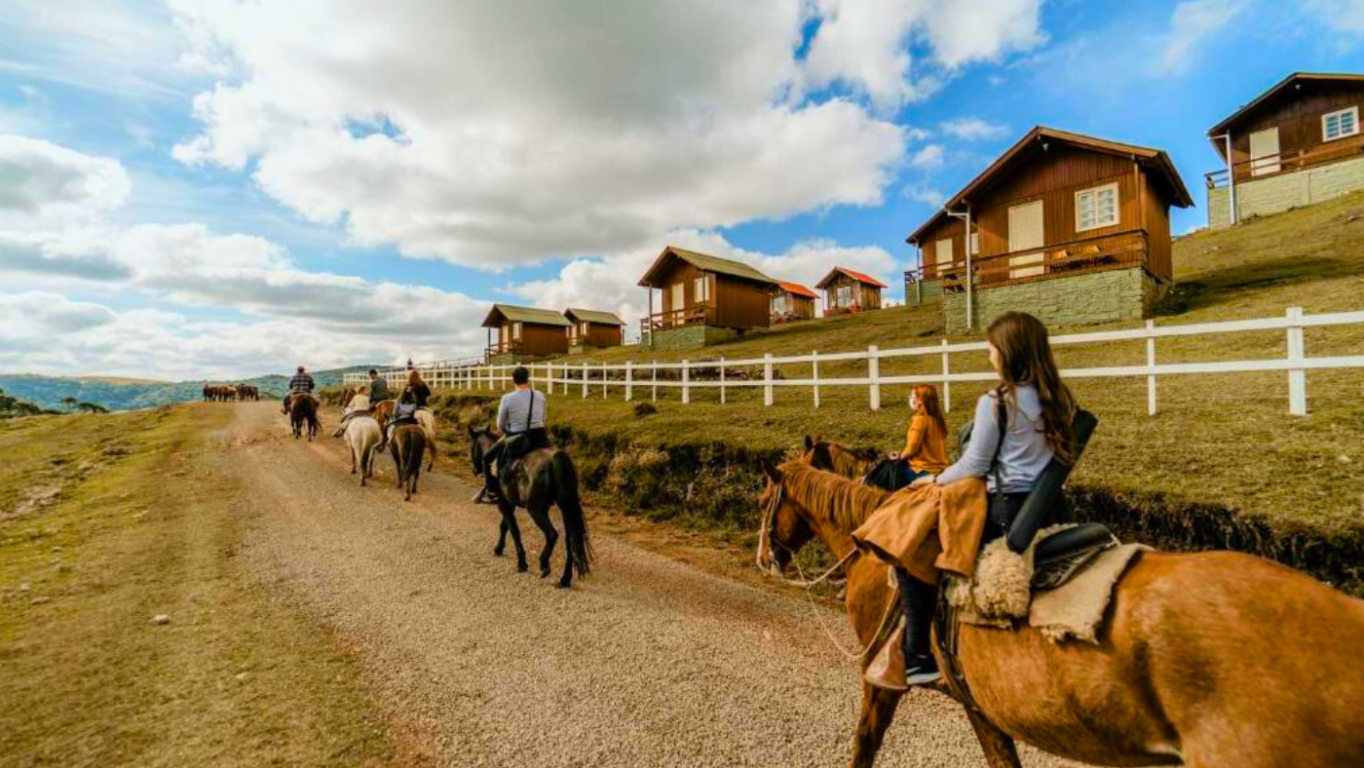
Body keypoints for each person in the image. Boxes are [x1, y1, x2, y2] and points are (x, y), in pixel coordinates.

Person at [868, 312, 1076, 690]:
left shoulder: (997, 402)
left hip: (1004, 512)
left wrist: (935, 479)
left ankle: (918, 657)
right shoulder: (1059, 399)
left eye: (992, 346)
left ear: (1007, 352)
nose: (989, 353)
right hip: (1051, 508)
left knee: (911, 551)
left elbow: (976, 463)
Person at [476, 366, 551, 504]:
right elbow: (543, 419)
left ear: (513, 380)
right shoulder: (540, 395)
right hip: (540, 437)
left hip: (517, 437)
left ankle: (492, 492)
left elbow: (500, 425)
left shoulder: (508, 398)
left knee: (486, 459)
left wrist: (508, 430)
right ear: (527, 379)